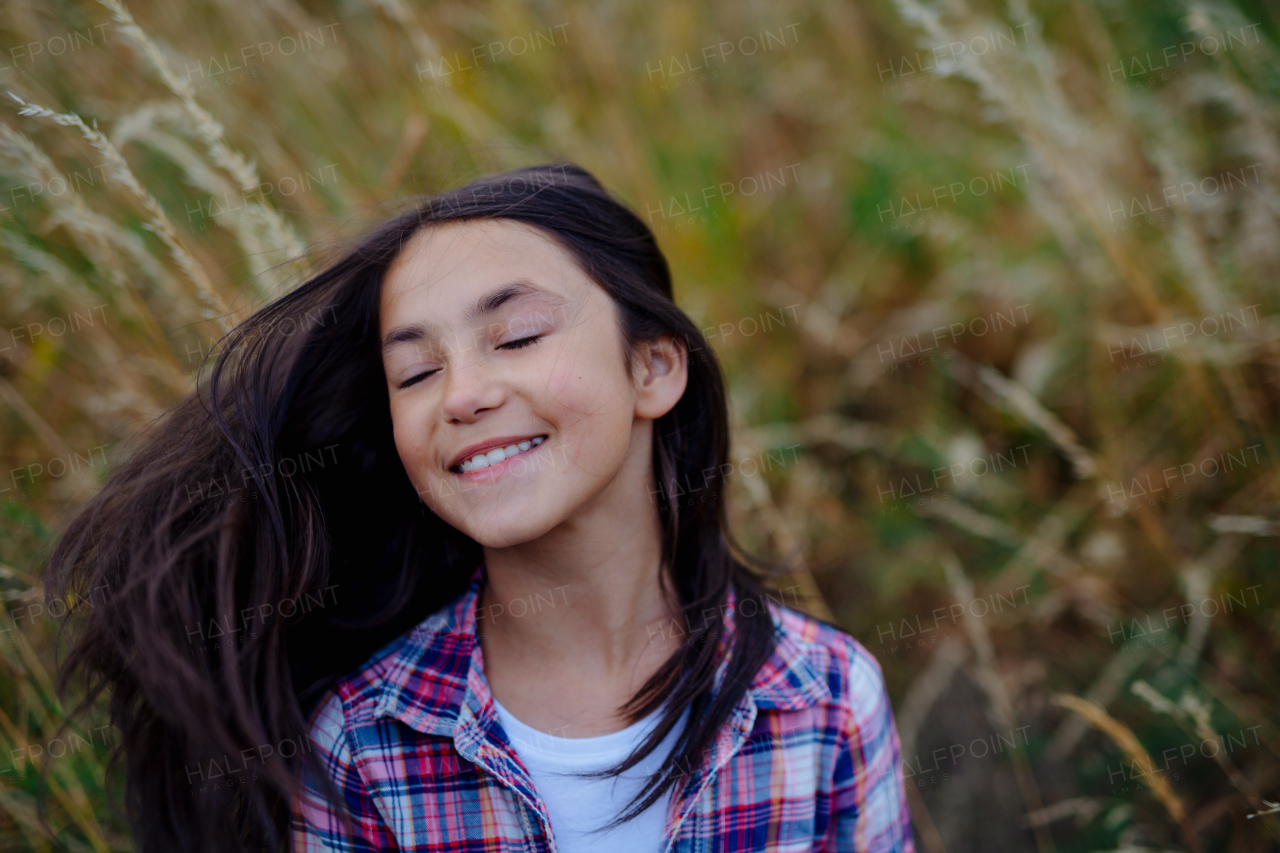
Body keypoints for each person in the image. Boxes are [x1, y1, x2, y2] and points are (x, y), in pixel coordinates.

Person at [46, 163, 915, 852]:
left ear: (653, 368)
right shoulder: (366, 740)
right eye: (416, 372)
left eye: (518, 336)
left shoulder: (824, 697)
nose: (462, 395)